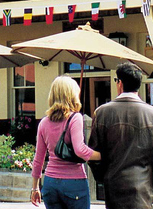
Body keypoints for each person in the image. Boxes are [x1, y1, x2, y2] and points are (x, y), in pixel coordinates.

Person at [88, 62, 153, 209]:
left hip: (113, 184)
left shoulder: (102, 113)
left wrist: (103, 177)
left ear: (119, 83)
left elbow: (93, 153)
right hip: (143, 186)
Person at [31, 76, 101, 209]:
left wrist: (35, 188)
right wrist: (102, 155)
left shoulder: (44, 123)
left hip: (50, 183)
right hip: (74, 182)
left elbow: (38, 159)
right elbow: (80, 150)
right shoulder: (75, 118)